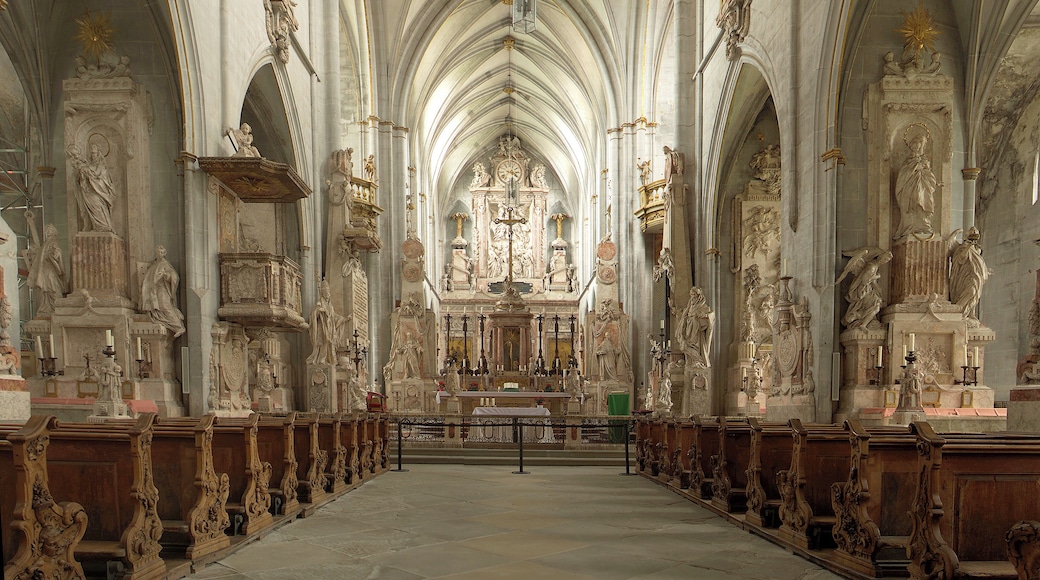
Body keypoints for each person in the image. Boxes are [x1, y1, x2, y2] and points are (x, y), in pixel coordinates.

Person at [893, 132, 937, 240]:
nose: (920, 147)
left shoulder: (925, 160)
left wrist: (934, 181)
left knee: (924, 204)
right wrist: (916, 166)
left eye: (922, 144)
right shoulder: (908, 162)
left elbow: (929, 174)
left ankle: (924, 226)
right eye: (919, 144)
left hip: (923, 187)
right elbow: (903, 175)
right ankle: (910, 227)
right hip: (910, 188)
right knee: (915, 202)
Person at [68, 143, 116, 233]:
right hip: (87, 190)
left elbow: (98, 174)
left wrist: (86, 170)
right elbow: (79, 176)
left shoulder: (101, 164)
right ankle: (95, 226)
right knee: (90, 208)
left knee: (98, 206)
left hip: (97, 190)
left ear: (98, 153)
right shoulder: (87, 163)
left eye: (94, 153)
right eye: (91, 153)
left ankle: (103, 226)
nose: (93, 155)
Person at [141, 245, 186, 337]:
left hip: (162, 289)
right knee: (159, 307)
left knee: (165, 306)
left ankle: (178, 327)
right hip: (154, 290)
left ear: (164, 253)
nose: (159, 254)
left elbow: (174, 276)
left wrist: (165, 275)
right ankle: (167, 322)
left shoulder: (165, 264)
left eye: (161, 252)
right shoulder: (154, 264)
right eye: (158, 252)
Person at [949, 227, 990, 321]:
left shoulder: (976, 249)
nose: (973, 239)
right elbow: (961, 259)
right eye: (972, 236)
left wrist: (985, 271)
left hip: (975, 275)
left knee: (975, 295)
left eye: (975, 237)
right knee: (971, 291)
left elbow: (978, 263)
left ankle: (970, 313)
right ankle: (957, 310)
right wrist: (968, 247)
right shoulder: (961, 247)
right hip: (964, 276)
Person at [26, 220, 66, 315]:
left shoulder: (53, 241)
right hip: (44, 269)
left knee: (53, 287)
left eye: (49, 230)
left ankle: (55, 306)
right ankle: (47, 307)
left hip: (50, 269)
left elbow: (57, 253)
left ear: (53, 231)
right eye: (47, 230)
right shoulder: (46, 242)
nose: (47, 232)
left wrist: (53, 254)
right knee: (45, 289)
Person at [307, 280, 346, 365]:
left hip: (330, 327)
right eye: (326, 293)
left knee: (329, 344)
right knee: (323, 343)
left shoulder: (330, 306)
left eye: (329, 293)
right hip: (322, 327)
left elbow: (334, 316)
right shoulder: (320, 303)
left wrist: (343, 319)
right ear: (323, 293)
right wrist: (319, 310)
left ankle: (328, 360)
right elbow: (314, 313)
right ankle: (321, 359)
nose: (328, 295)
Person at [675, 287, 714, 368]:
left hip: (697, 334)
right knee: (685, 346)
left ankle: (699, 361)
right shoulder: (690, 307)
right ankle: (693, 362)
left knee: (691, 347)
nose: (692, 297)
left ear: (699, 296)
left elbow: (711, 317)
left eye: (694, 295)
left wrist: (704, 316)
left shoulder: (704, 307)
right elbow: (684, 316)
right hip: (688, 330)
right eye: (691, 295)